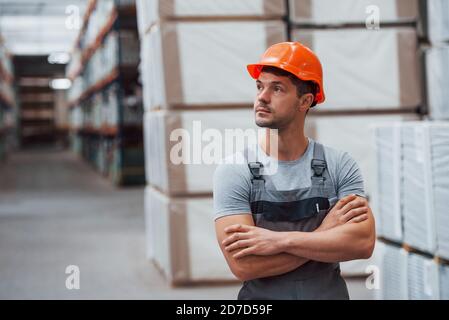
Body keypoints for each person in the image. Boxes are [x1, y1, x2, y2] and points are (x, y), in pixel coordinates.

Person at [213, 42, 376, 300]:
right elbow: (243, 265)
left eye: (276, 88)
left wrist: (279, 241)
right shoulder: (234, 171)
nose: (262, 97)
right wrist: (324, 233)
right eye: (260, 86)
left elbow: (362, 244)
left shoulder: (339, 165)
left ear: (305, 101)